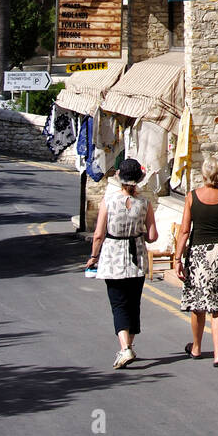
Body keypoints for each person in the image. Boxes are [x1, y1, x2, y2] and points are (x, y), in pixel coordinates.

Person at [87, 158, 157, 370]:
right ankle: (129, 345)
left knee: (118, 304)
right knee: (133, 303)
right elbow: (153, 236)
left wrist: (93, 256)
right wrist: (139, 230)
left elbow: (98, 234)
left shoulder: (109, 201)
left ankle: (125, 348)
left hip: (113, 257)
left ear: (119, 177)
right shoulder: (145, 204)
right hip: (136, 256)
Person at [174, 158, 218, 366]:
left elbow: (185, 230)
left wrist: (177, 258)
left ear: (204, 174)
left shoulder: (191, 197)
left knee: (198, 303)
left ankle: (196, 347)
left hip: (199, 253)